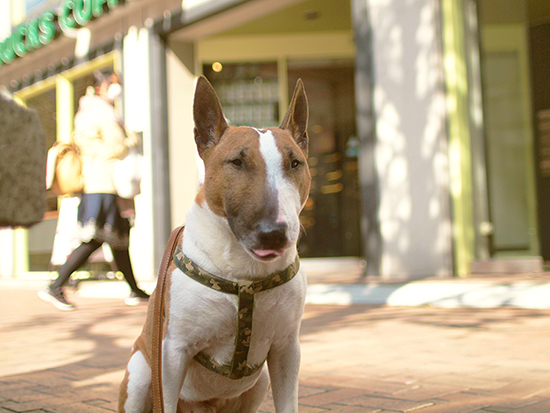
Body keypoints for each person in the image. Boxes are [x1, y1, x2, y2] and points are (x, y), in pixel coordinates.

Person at [38, 72, 149, 311]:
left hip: (96, 183)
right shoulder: (104, 111)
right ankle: (55, 285)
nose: (116, 87)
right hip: (104, 184)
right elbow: (117, 145)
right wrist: (132, 137)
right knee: (97, 237)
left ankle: (135, 289)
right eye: (112, 82)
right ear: (100, 87)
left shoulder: (85, 111)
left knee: (118, 239)